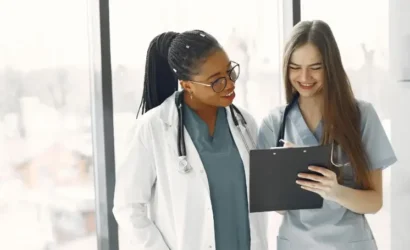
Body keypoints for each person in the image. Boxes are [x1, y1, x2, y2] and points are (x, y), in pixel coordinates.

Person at [113, 30, 268, 250]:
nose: (230, 84)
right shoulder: (153, 129)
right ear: (187, 85)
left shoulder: (245, 123)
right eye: (216, 82)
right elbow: (127, 207)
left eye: (230, 72)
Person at [257, 20, 397, 250]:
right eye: (295, 67)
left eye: (315, 67)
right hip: (296, 243)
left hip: (349, 243)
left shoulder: (361, 116)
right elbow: (279, 208)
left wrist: (335, 191)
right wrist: (287, 176)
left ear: (330, 66)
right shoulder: (275, 123)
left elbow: (374, 202)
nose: (304, 77)